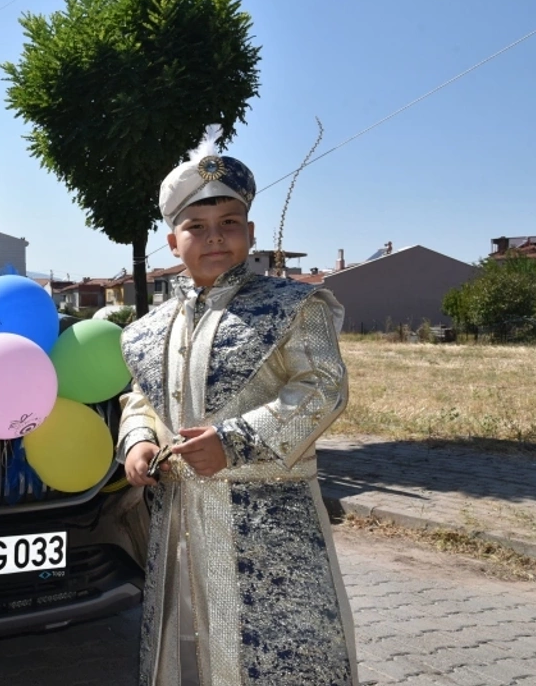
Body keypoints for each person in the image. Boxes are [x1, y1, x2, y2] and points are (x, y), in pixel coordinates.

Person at [117, 127, 358, 685]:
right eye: (195, 226)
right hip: (176, 519)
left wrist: (233, 442)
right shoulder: (149, 329)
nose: (214, 237)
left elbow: (324, 386)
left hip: (268, 520)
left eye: (228, 223)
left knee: (278, 655)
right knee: (182, 648)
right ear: (173, 242)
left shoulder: (295, 305)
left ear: (249, 232)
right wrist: (138, 441)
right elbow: (142, 399)